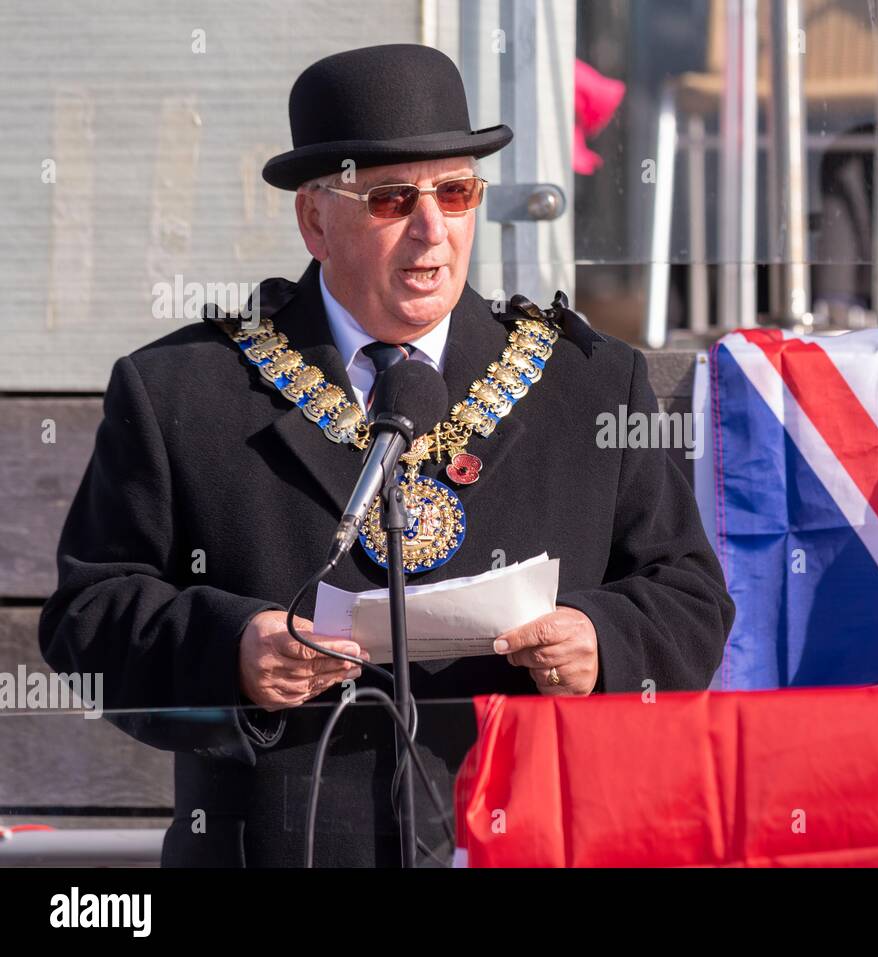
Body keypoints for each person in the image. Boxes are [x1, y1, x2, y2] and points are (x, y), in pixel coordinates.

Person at [38, 43, 735, 867]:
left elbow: (691, 596)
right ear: (314, 218)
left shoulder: (588, 385)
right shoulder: (184, 392)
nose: (432, 229)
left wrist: (602, 638)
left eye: (456, 191)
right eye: (391, 199)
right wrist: (232, 650)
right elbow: (88, 619)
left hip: (532, 839)